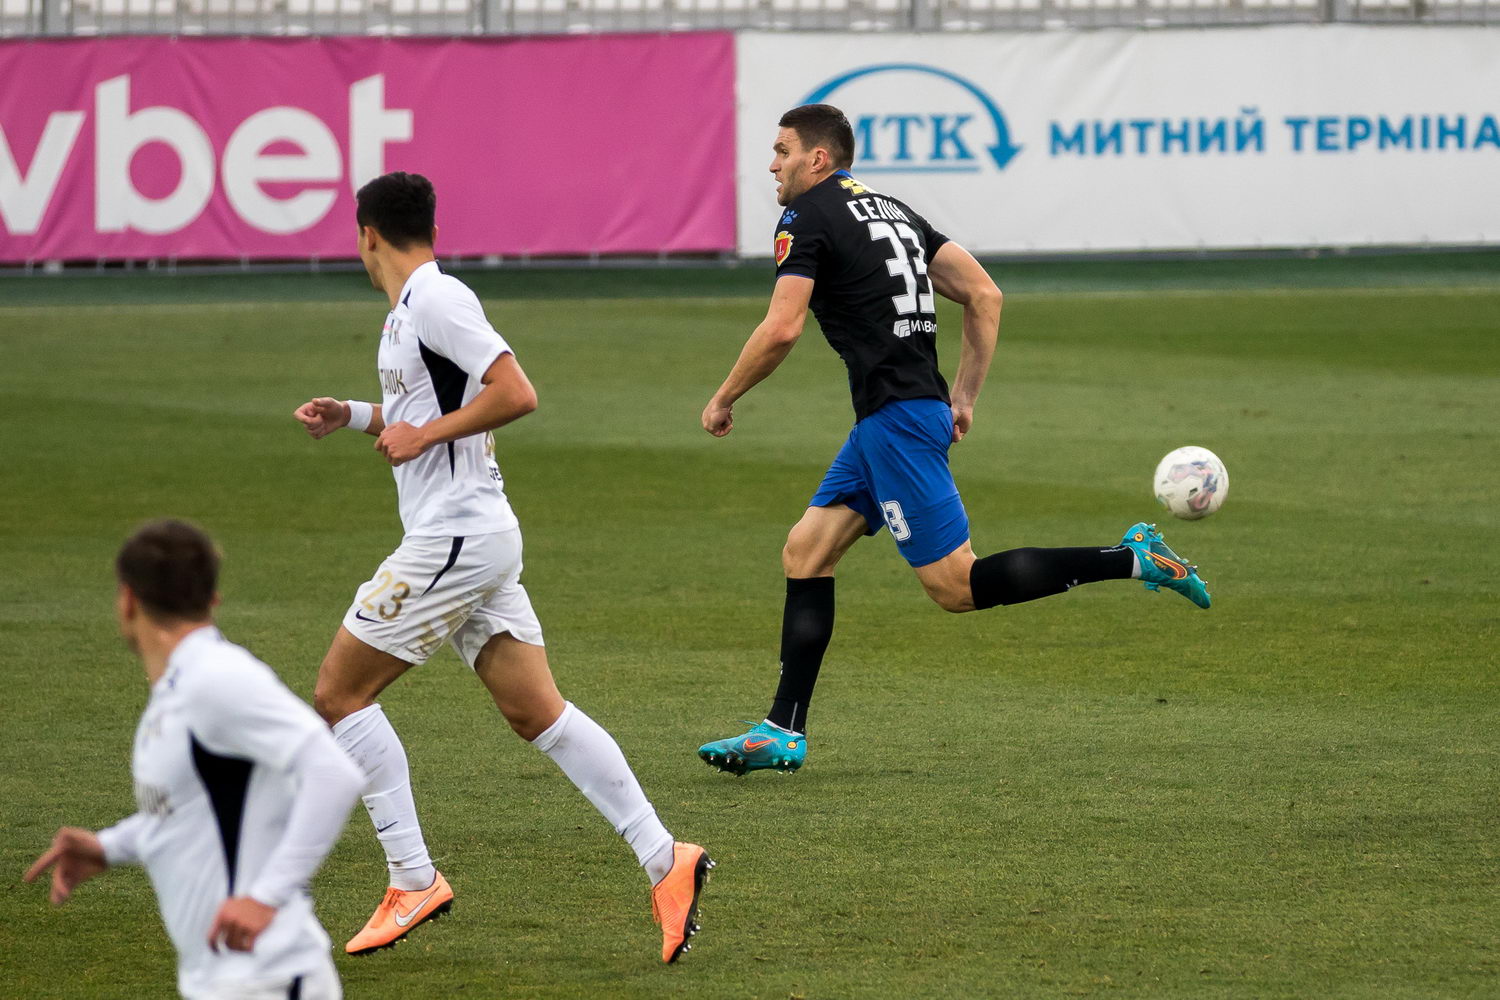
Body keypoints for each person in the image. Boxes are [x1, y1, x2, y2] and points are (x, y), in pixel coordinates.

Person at [696, 105, 1212, 777]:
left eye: (782, 150)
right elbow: (984, 294)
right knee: (806, 551)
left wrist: (724, 396)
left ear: (817, 159)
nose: (772, 164)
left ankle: (1133, 558)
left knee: (956, 585)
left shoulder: (806, 216)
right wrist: (961, 398)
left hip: (896, 422)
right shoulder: (895, 211)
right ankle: (781, 730)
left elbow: (783, 327)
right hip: (898, 417)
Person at [292, 171, 711, 963]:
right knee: (537, 713)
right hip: (475, 538)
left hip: (454, 538)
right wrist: (352, 416)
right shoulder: (408, 312)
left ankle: (412, 878)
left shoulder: (436, 299)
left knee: (339, 695)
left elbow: (516, 393)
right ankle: (667, 859)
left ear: (366, 235)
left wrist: (425, 434)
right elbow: (421, 415)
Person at [25, 519, 365, 1000]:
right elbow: (188, 809)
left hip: (265, 976)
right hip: (223, 977)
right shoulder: (181, 684)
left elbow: (334, 773)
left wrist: (265, 897)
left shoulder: (216, 678)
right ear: (212, 599)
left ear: (127, 600)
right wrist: (108, 846)